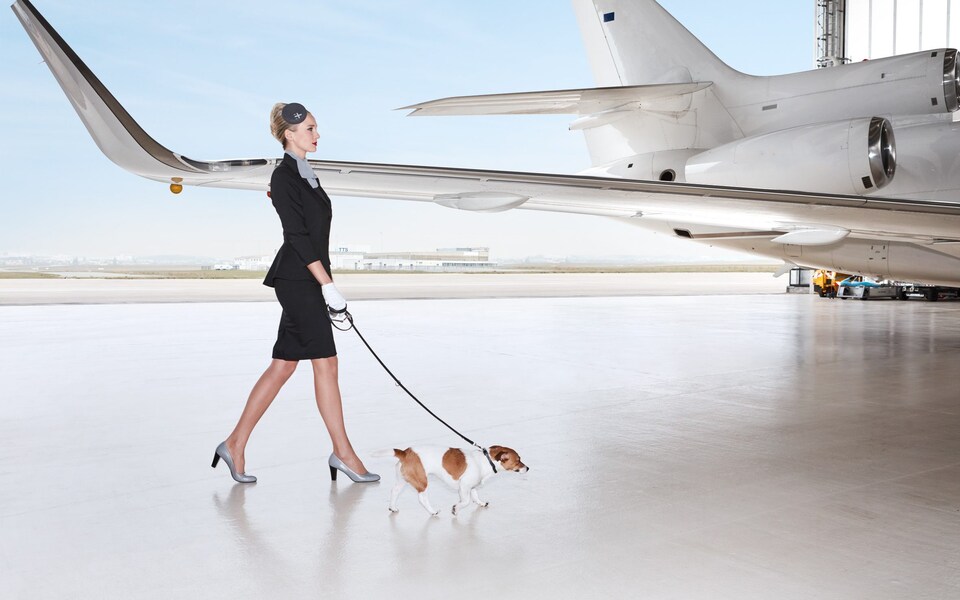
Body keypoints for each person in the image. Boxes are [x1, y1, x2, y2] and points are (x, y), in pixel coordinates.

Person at [211, 102, 379, 484]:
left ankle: (234, 444)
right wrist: (328, 286)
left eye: (316, 128)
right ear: (289, 133)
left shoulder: (305, 174)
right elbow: (299, 237)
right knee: (326, 363)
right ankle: (344, 453)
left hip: (304, 278)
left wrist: (325, 282)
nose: (316, 135)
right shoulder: (286, 176)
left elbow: (312, 231)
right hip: (299, 279)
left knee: (284, 364)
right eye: (310, 130)